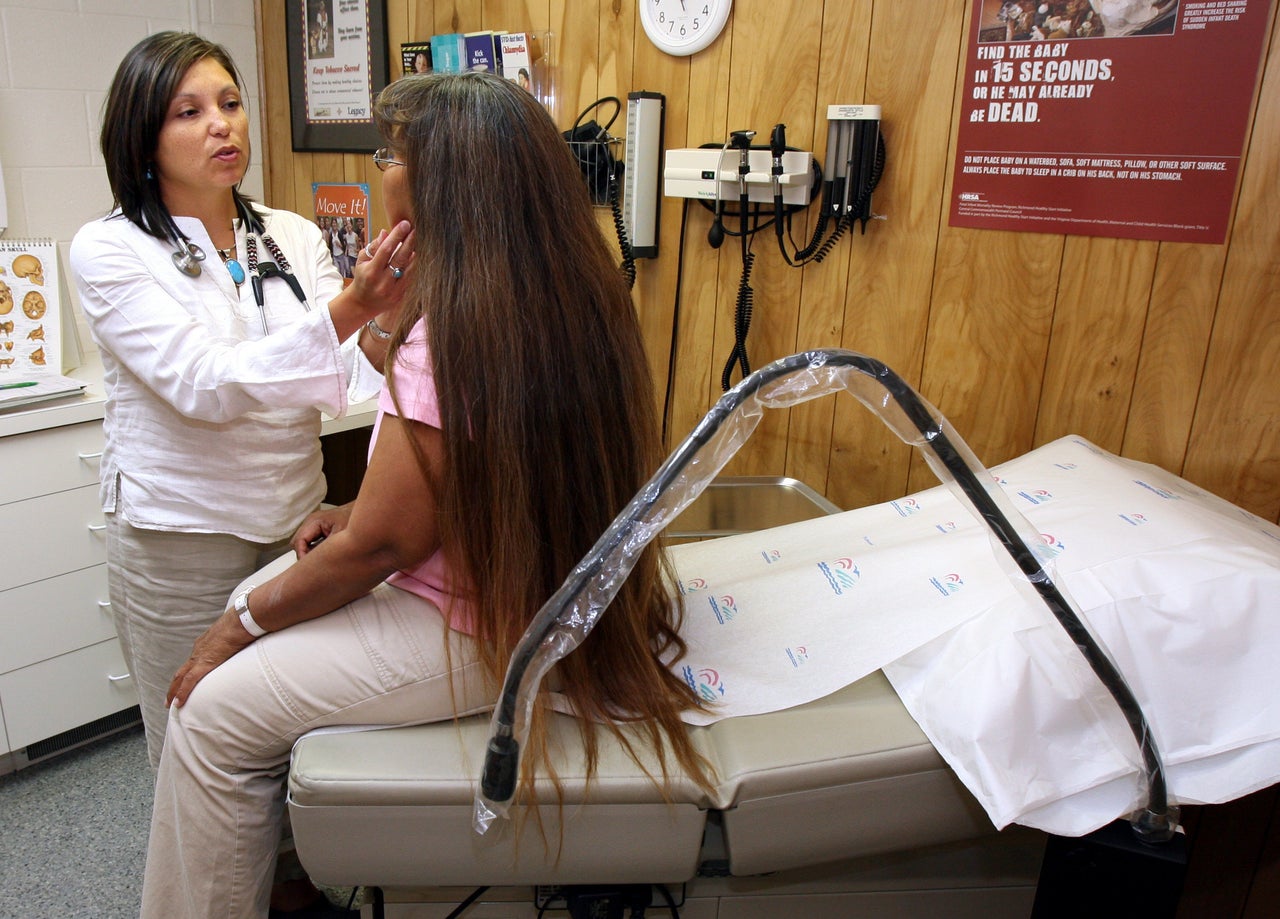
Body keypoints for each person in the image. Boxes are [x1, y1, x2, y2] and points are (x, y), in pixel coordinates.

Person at [141, 71, 713, 918]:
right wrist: (355, 503)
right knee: (251, 593)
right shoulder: (572, 295)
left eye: (389, 155)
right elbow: (476, 475)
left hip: (474, 627)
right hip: (521, 596)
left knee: (209, 714)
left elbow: (386, 544)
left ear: (442, 180)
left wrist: (240, 627)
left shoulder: (456, 329)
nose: (380, 171)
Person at [69, 31, 414, 772]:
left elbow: (353, 357)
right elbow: (202, 383)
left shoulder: (288, 234)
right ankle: (207, 890)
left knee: (293, 724)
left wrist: (415, 326)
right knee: (194, 728)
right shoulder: (109, 249)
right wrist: (356, 309)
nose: (221, 124)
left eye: (230, 103)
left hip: (295, 514)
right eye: (187, 112)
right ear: (143, 137)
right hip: (181, 531)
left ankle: (289, 887)